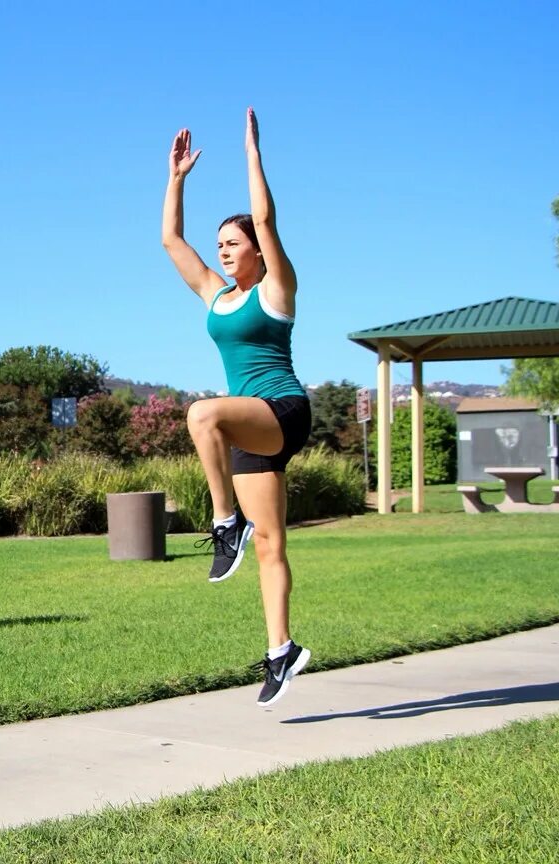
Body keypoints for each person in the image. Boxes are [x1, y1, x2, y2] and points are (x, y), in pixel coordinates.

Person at [161, 108, 312, 707]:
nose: (223, 251)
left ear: (256, 250)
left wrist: (252, 153)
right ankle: (282, 652)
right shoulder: (216, 294)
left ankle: (226, 522)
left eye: (233, 243)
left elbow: (268, 216)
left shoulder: (278, 289)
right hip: (249, 426)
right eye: (219, 244)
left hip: (282, 410)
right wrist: (176, 179)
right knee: (272, 545)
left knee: (202, 413)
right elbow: (172, 241)